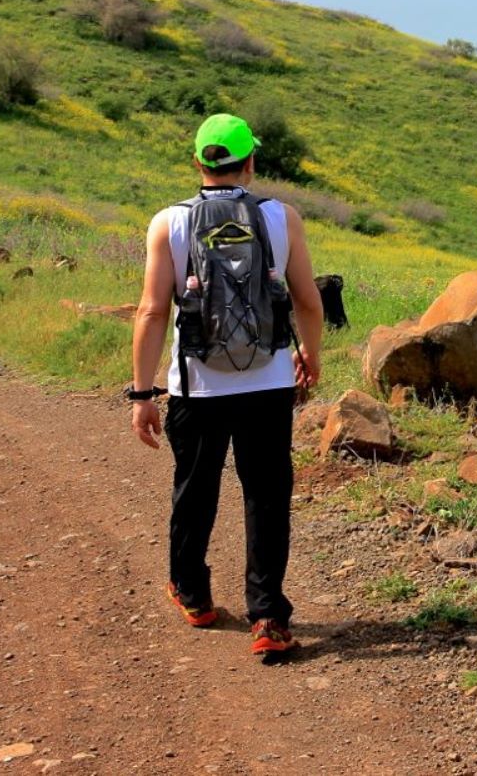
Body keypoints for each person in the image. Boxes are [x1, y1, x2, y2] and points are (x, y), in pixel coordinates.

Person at [127, 112, 323, 658]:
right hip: (269, 385)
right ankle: (268, 618)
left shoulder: (169, 222)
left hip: (196, 388)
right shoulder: (283, 218)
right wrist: (309, 355)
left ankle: (193, 594)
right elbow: (307, 300)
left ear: (198, 161)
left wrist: (143, 394)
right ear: (250, 161)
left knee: (195, 490)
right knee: (266, 495)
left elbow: (150, 310)